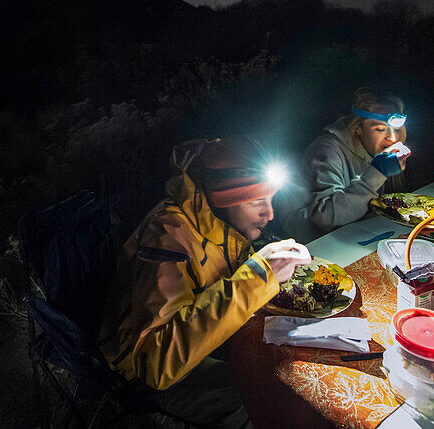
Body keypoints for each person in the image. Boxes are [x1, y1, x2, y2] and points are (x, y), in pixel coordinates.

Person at [99, 136, 311, 428]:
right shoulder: (169, 236)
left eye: (271, 199)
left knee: (290, 367)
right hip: (145, 373)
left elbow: (219, 291)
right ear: (223, 200)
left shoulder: (221, 225)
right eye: (256, 202)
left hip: (208, 344)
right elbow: (158, 363)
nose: (270, 214)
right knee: (259, 396)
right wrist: (258, 277)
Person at [273, 88, 411, 243]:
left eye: (397, 130)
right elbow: (325, 216)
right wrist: (377, 173)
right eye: (380, 129)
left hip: (350, 232)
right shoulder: (327, 150)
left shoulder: (374, 150)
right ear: (359, 128)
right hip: (311, 241)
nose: (393, 138)